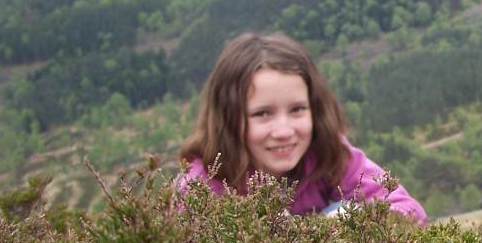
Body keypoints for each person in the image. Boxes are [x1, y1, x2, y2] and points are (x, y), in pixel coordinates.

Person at [179, 32, 426, 221]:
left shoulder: (327, 153)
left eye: (297, 109)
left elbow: (408, 209)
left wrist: (347, 225)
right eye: (262, 114)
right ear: (228, 118)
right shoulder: (202, 185)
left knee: (345, 211)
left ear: (315, 109)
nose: (284, 131)